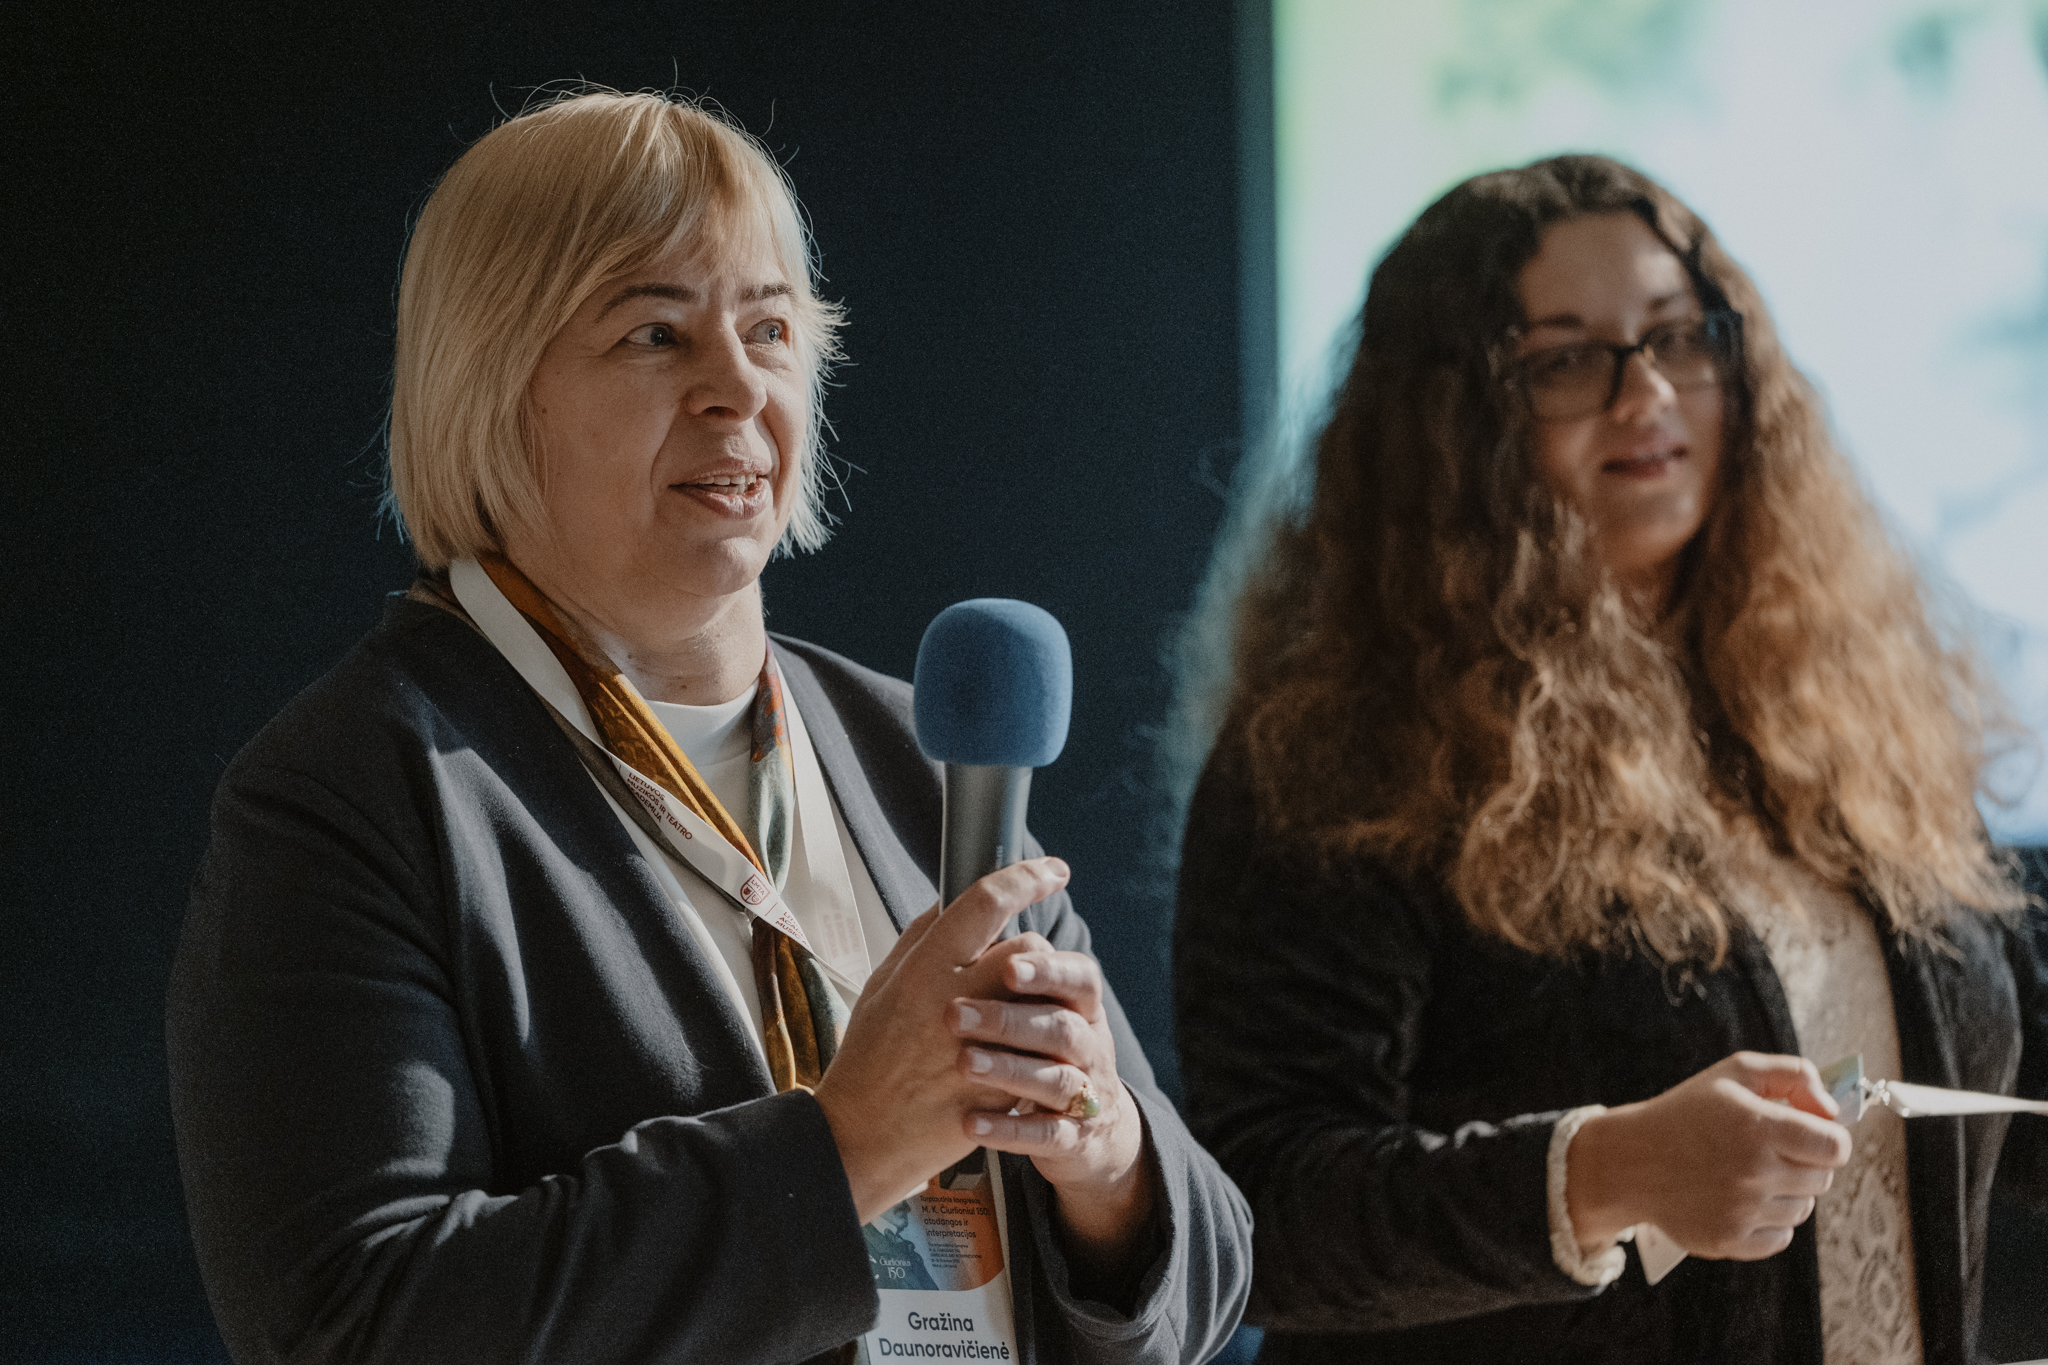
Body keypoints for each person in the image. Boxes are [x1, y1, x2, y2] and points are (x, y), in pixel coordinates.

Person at [167, 88, 1250, 1365]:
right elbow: (357, 1324)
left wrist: (1104, 1156)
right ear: (494, 388)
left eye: (771, 329)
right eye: (654, 334)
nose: (737, 387)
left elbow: (1210, 1274)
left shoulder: (920, 754)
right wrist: (846, 1149)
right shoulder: (353, 794)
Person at [1173, 154, 2048, 1363]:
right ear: (1447, 425)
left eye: (1680, 337)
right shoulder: (1335, 758)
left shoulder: (1850, 715)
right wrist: (1600, 1173)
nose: (1646, 394)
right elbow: (1254, 1217)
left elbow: (2003, 1065)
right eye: (1565, 360)